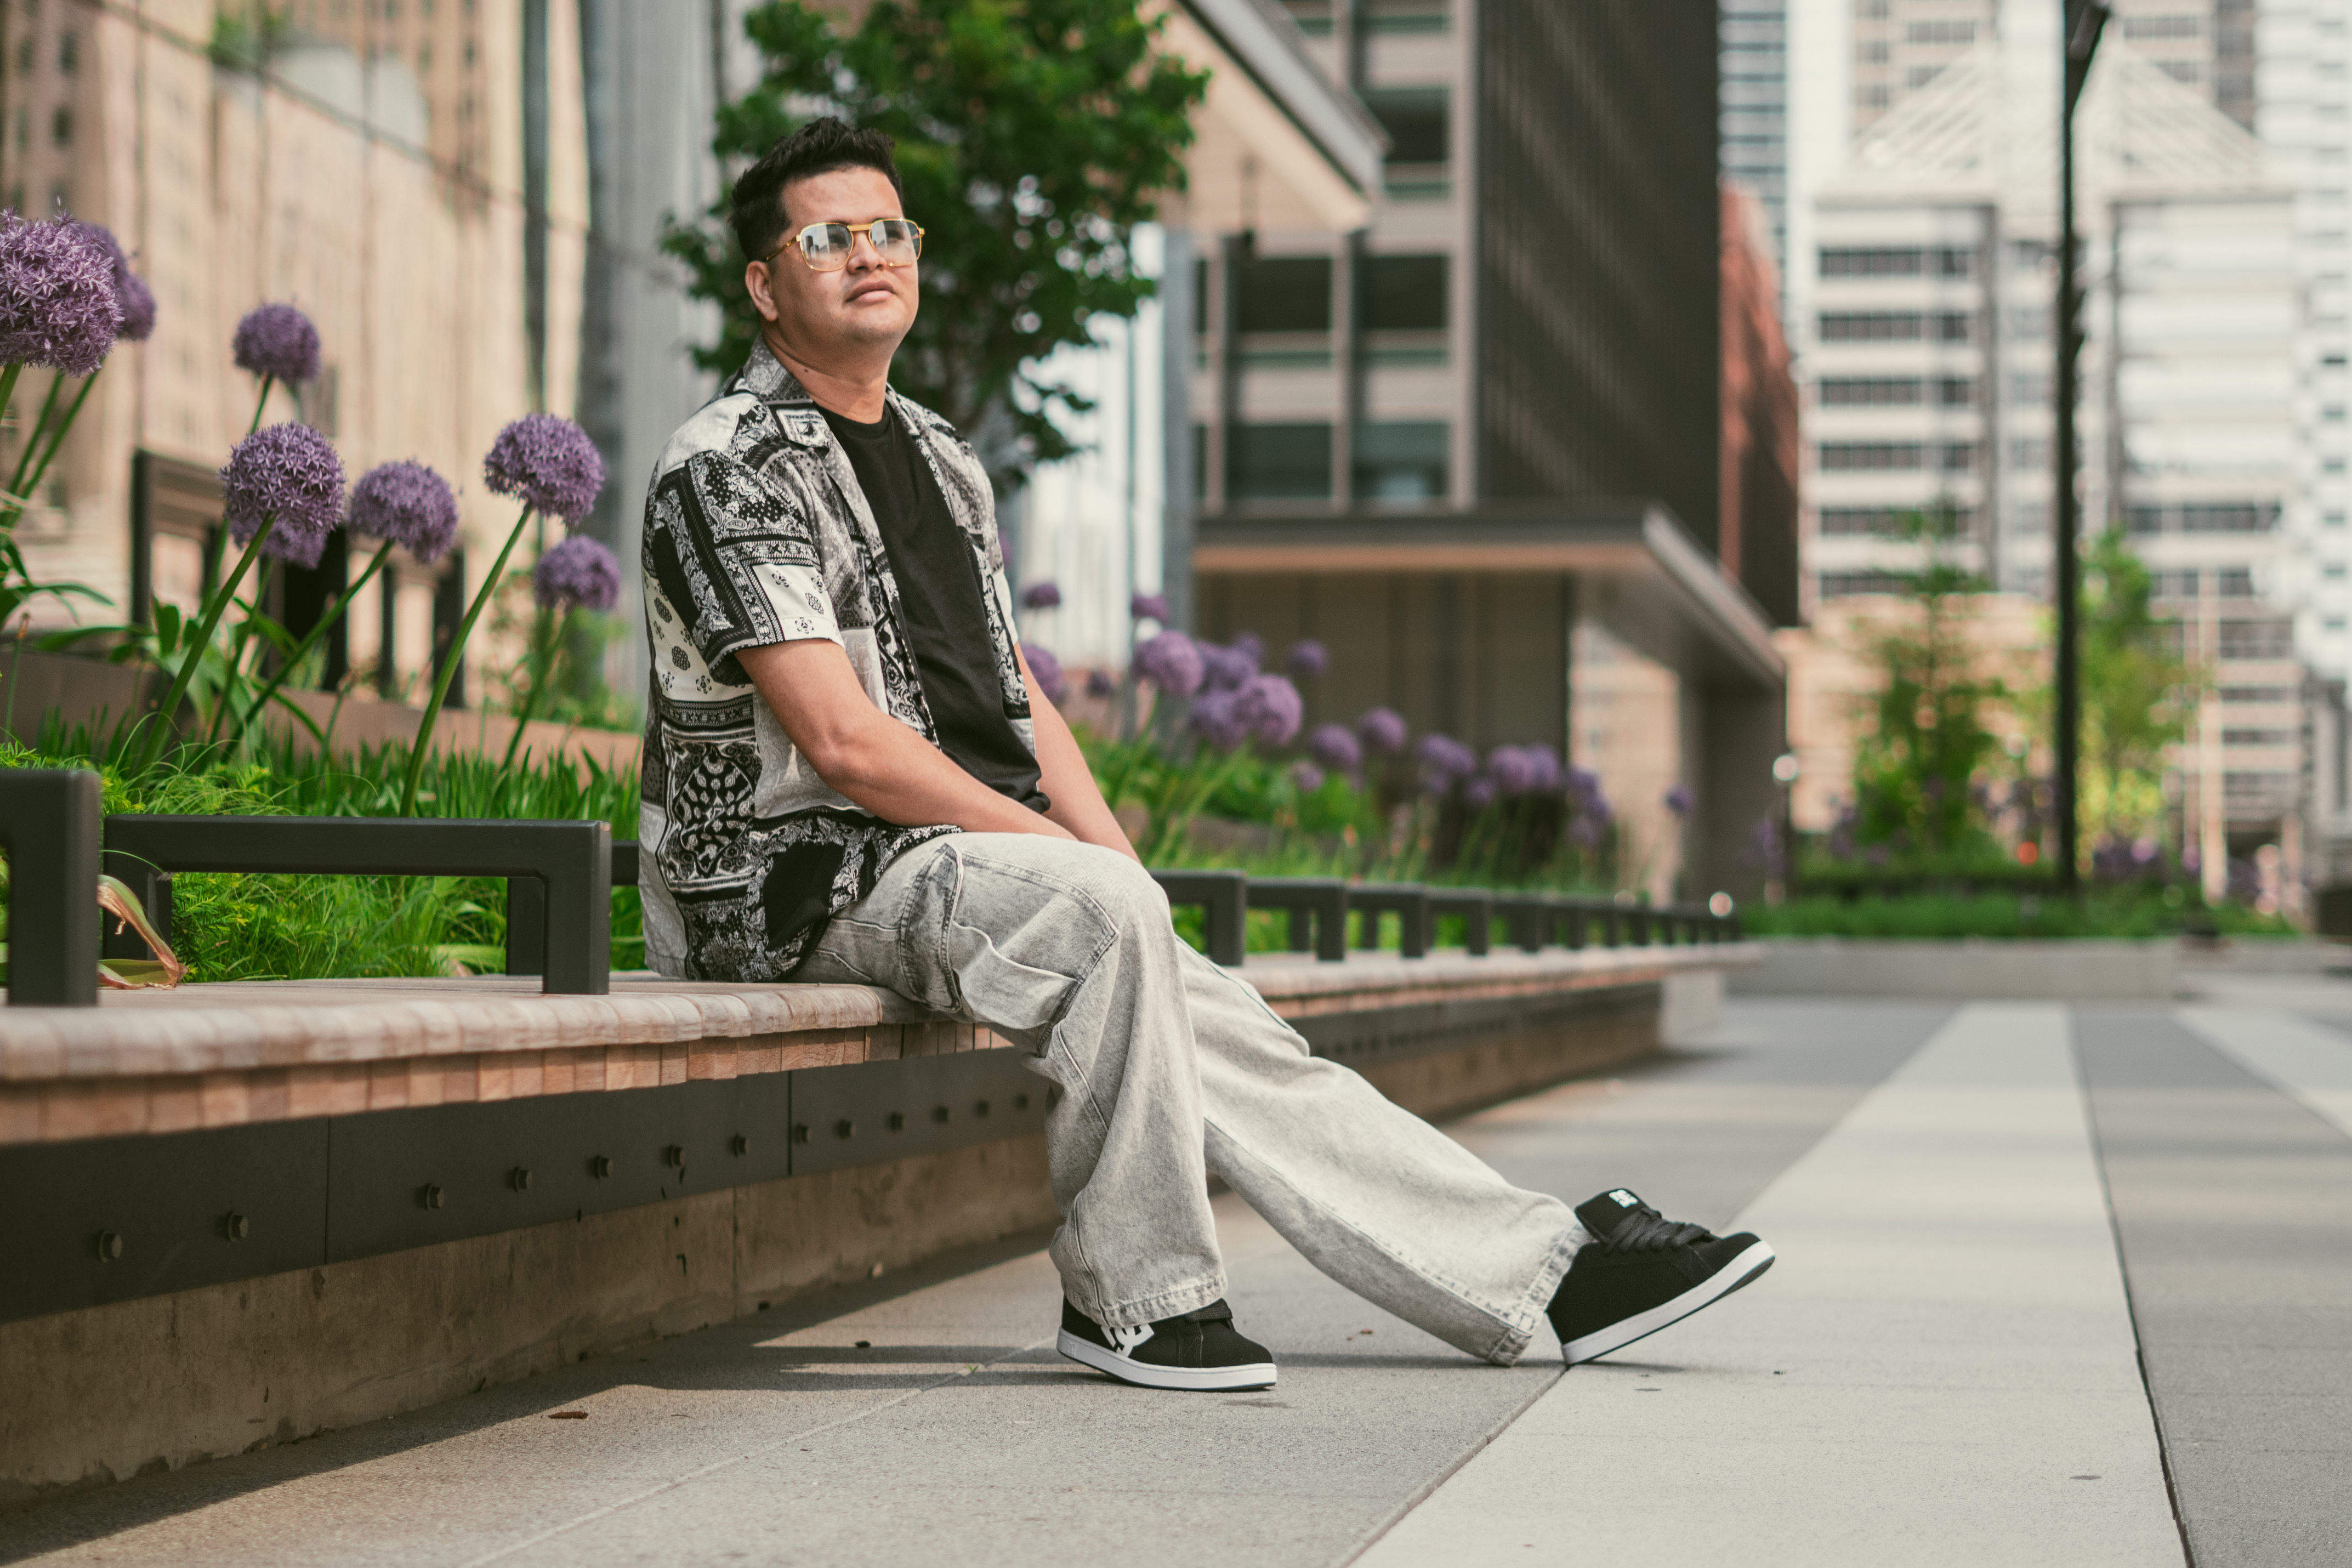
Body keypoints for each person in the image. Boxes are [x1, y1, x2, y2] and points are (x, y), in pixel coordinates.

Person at [637, 118, 1774, 1392]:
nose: (868, 254)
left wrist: (1121, 867)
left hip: (964, 862)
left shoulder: (946, 462)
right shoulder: (723, 464)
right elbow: (844, 742)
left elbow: (1016, 695)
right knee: (1111, 917)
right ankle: (1138, 1296)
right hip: (792, 881)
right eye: (828, 238)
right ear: (765, 283)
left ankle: (1543, 1268)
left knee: (1229, 1020)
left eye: (888, 229)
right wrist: (1077, 867)